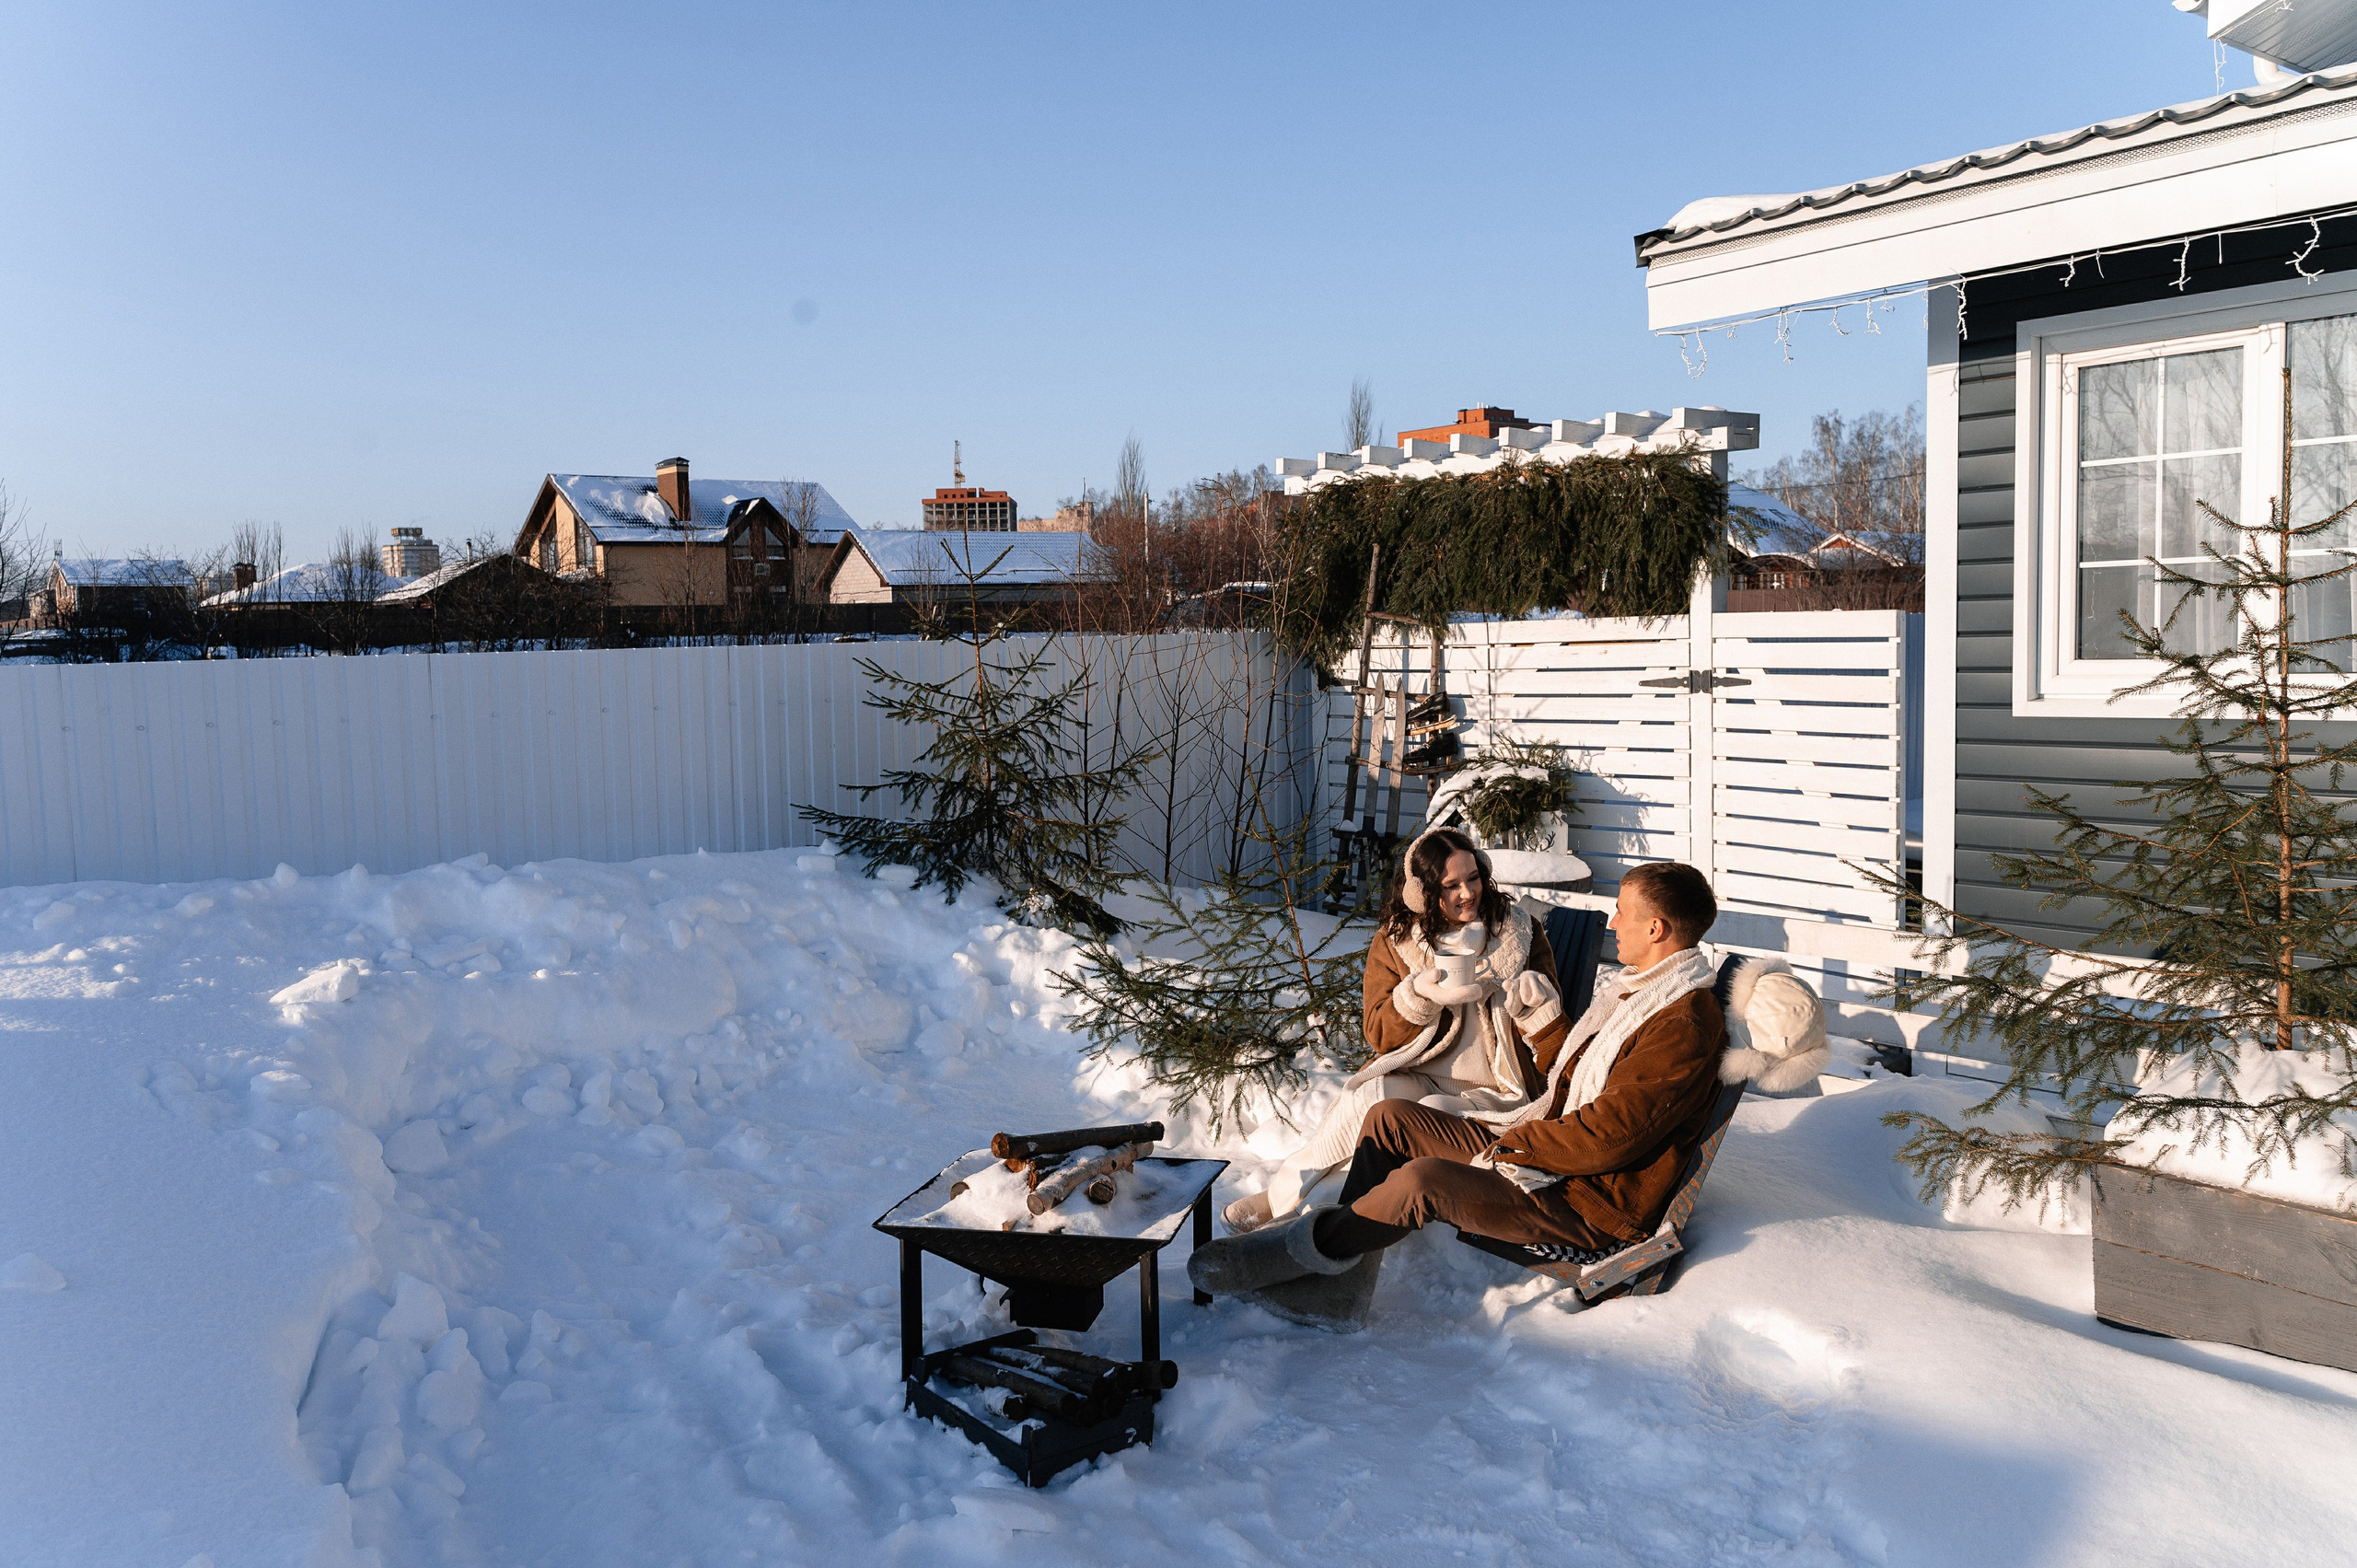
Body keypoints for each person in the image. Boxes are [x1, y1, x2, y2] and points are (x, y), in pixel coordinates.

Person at [1190, 861, 1728, 1330]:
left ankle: (1293, 1253)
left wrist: (1515, 1147)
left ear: (1655, 928)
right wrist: (1546, 1026)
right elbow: (1578, 1085)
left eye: (1622, 912)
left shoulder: (1680, 1023)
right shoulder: (1643, 992)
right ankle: (1342, 1287)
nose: (1611, 922)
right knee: (1391, 1118)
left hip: (1587, 1204)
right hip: (1561, 1162)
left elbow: (1612, 1136)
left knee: (1422, 1182)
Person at [1221, 826, 1566, 1234]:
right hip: (1421, 1072)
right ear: (1423, 893)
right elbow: (1379, 1034)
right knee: (1368, 1097)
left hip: (1496, 1090)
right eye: (1451, 885)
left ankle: (1314, 1219)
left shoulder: (1519, 933)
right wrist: (1418, 997)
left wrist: (1530, 1004)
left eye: (1473, 878)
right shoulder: (1398, 941)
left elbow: (1553, 1026)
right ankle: (1284, 1195)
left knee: (1428, 1114)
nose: (1467, 893)